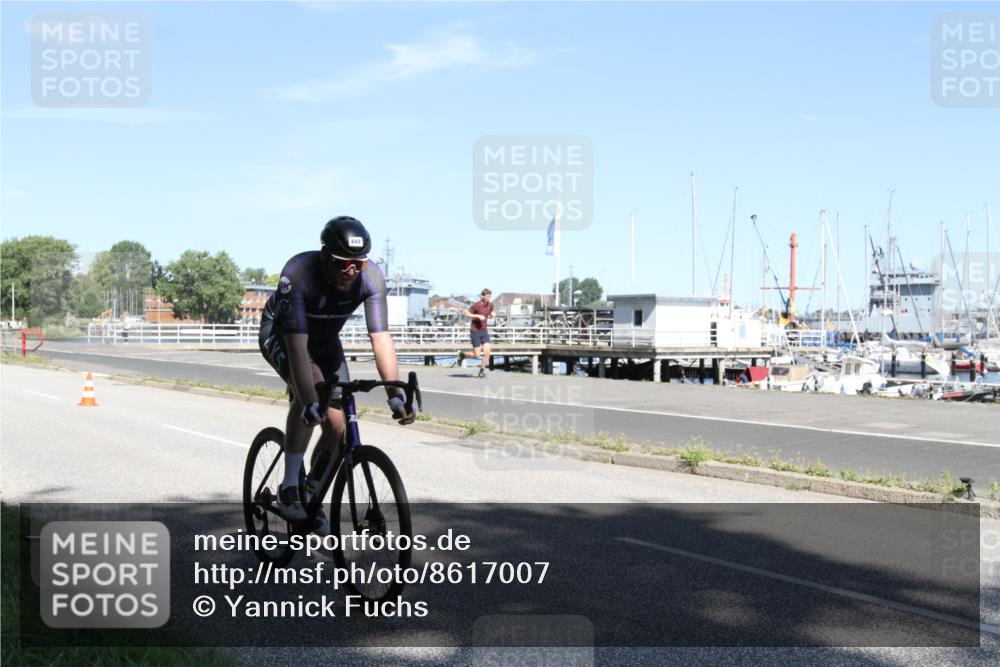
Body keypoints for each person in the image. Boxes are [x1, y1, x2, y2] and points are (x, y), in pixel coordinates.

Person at [258, 216, 414, 528]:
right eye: (343, 263)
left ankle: (311, 492)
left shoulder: (371, 278)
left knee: (338, 422)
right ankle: (290, 488)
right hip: (284, 335)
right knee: (309, 398)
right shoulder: (299, 272)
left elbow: (380, 338)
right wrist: (309, 398)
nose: (351, 271)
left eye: (358, 263)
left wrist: (395, 396)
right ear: (325, 255)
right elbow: (298, 349)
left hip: (326, 340)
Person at [458, 289, 493, 379]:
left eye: (490, 297)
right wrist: (477, 316)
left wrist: (493, 313)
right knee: (477, 355)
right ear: (483, 296)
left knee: (487, 352)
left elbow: (490, 312)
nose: (489, 298)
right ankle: (463, 355)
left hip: (484, 331)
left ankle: (481, 372)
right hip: (475, 331)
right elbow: (466, 313)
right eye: (487, 297)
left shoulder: (490, 305)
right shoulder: (476, 305)